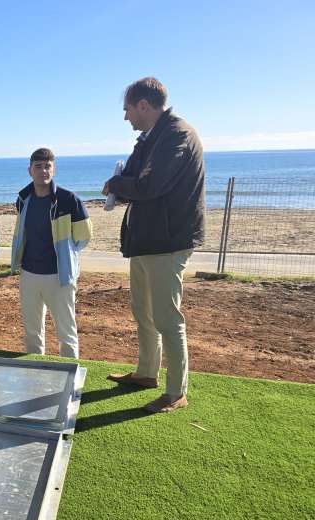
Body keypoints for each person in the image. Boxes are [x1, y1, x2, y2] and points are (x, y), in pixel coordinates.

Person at [102, 77, 205, 413]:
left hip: (167, 241)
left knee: (166, 316)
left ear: (143, 105)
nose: (126, 117)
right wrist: (128, 181)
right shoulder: (149, 138)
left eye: (128, 109)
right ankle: (147, 373)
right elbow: (136, 176)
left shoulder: (177, 134)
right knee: (143, 311)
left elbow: (150, 185)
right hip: (146, 241)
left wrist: (120, 183)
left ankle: (176, 392)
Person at [11, 148, 92, 358]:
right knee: (32, 332)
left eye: (47, 166)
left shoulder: (68, 200)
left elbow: (83, 237)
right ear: (30, 170)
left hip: (60, 276)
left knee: (66, 333)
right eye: (38, 167)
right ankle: (35, 374)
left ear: (53, 169)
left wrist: (66, 255)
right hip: (29, 274)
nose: (43, 171)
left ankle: (70, 378)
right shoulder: (23, 199)